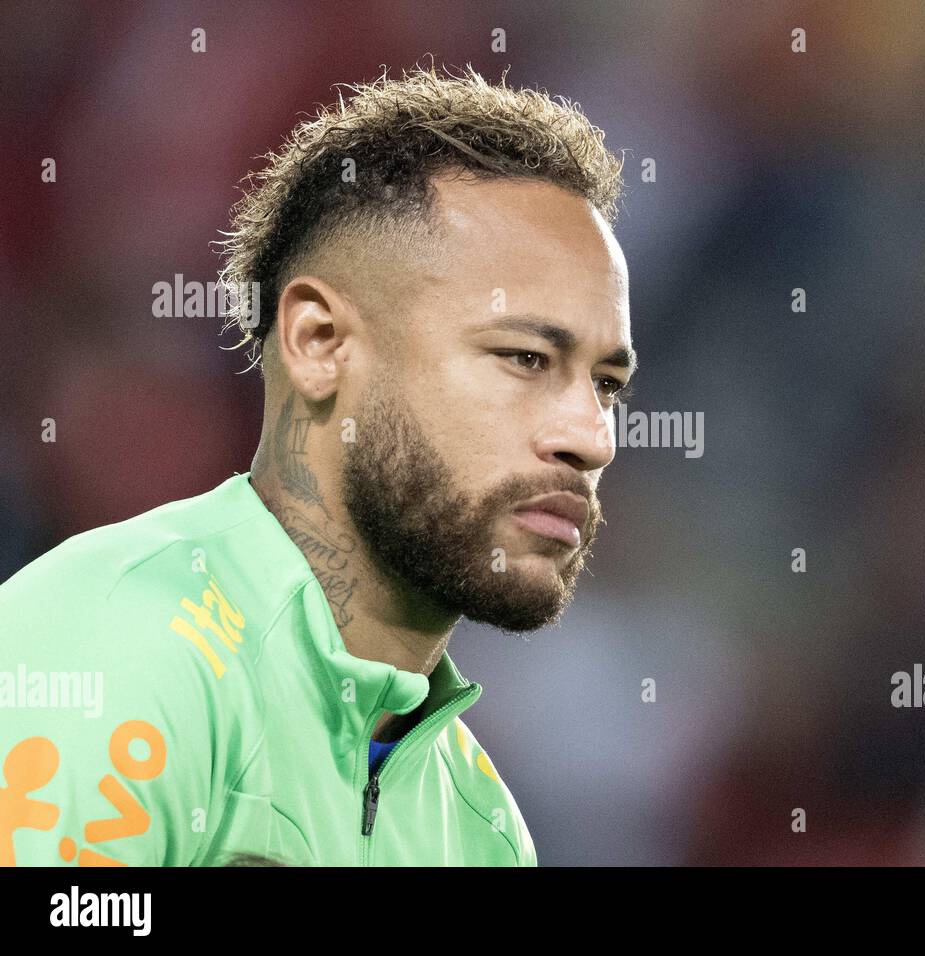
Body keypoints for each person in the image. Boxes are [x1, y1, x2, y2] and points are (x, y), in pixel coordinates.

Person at [0, 63, 635, 866]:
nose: (593, 437)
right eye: (523, 358)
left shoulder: (486, 831)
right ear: (319, 343)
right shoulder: (113, 650)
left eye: (607, 385)